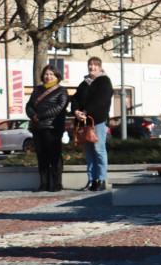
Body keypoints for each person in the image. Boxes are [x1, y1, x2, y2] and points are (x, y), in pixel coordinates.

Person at [71, 57, 113, 192]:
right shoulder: (84, 84)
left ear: (100, 67)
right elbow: (75, 99)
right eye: (90, 65)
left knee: (99, 150)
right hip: (84, 122)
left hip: (98, 121)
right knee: (89, 153)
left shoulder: (104, 81)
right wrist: (76, 111)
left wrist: (86, 111)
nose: (92, 67)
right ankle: (91, 179)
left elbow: (102, 100)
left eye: (95, 65)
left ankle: (101, 179)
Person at [25, 64, 69, 192]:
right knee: (42, 156)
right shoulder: (37, 90)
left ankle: (56, 184)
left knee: (54, 156)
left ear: (57, 76)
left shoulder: (62, 90)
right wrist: (33, 115)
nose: (48, 76)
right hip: (38, 127)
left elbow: (59, 107)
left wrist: (40, 115)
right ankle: (43, 183)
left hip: (53, 127)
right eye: (46, 74)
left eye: (51, 74)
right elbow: (29, 106)